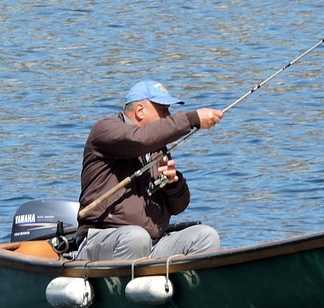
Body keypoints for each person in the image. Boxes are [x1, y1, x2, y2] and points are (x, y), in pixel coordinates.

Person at [75, 79, 224, 262]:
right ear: (139, 111)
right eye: (164, 110)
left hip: (152, 243)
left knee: (206, 236)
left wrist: (173, 184)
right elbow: (139, 140)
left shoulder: (158, 148)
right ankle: (120, 287)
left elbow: (179, 207)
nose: (169, 116)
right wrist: (191, 119)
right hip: (104, 240)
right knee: (136, 238)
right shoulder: (105, 129)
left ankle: (185, 288)